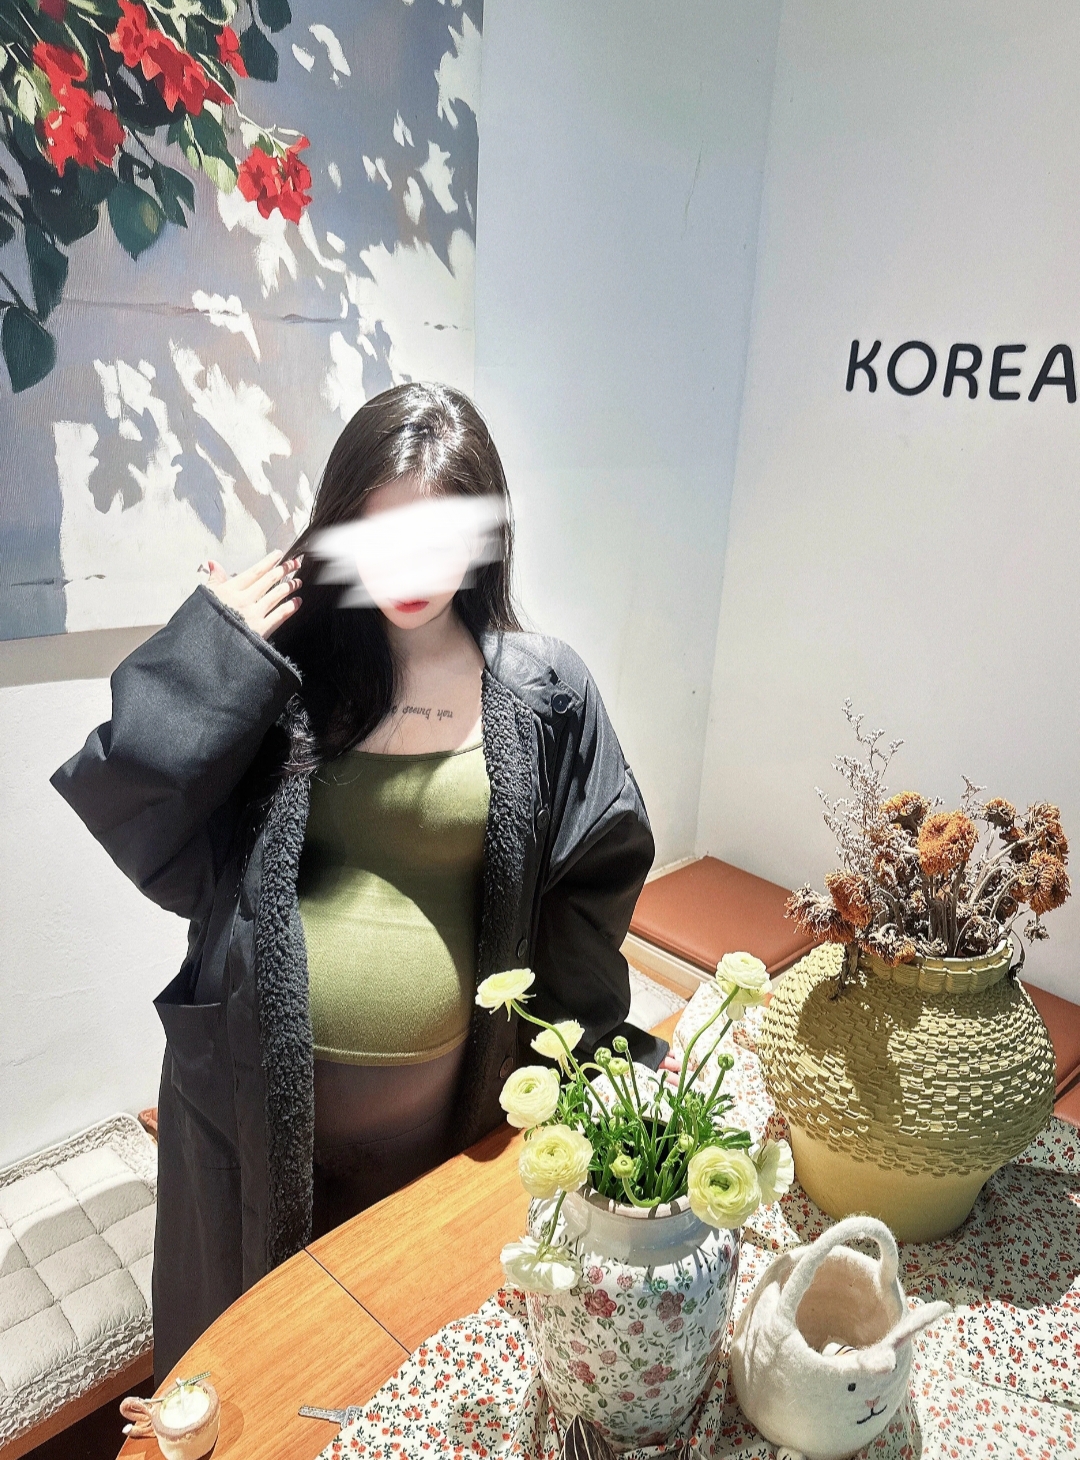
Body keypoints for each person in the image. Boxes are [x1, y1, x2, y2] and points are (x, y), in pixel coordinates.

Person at [50, 383, 664, 1382]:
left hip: (451, 1124)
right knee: (254, 1375)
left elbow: (590, 885)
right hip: (250, 1113)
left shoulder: (542, 688)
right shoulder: (281, 672)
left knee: (414, 1357)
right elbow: (136, 810)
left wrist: (583, 1073)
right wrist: (211, 652)